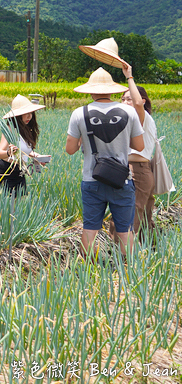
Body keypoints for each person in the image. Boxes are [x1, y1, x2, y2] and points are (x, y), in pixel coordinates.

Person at [66, 67, 144, 259]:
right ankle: (129, 271)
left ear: (91, 90)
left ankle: (89, 272)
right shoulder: (129, 112)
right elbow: (139, 146)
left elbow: (70, 149)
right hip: (121, 180)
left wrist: (85, 138)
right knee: (126, 231)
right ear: (112, 90)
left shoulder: (79, 113)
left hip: (92, 179)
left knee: (90, 228)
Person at [117, 66, 156, 237]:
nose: (126, 102)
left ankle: (123, 256)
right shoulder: (133, 121)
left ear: (143, 101)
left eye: (129, 99)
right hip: (141, 171)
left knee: (129, 215)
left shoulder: (142, 117)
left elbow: (137, 103)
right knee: (144, 216)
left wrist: (129, 77)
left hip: (137, 171)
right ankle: (149, 253)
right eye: (123, 99)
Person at [0, 95, 46, 195]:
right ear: (17, 115)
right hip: (6, 171)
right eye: (25, 114)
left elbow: (25, 151)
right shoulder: (10, 129)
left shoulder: (25, 129)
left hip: (19, 171)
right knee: (7, 207)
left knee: (19, 206)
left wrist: (38, 157)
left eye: (30, 113)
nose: (29, 117)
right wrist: (9, 153)